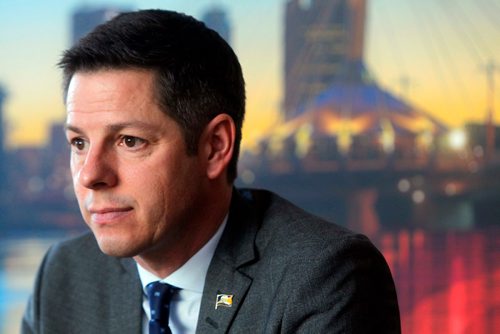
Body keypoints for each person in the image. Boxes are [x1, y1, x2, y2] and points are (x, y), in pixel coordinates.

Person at [21, 9, 400, 334]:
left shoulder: (325, 277)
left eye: (130, 141)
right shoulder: (64, 274)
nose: (90, 175)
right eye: (79, 143)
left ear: (215, 147)